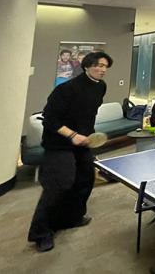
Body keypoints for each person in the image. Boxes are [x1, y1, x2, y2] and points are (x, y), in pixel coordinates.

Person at [28, 51, 113, 253]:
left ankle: (71, 218)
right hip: (59, 143)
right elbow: (49, 119)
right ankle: (41, 233)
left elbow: (88, 113)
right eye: (99, 65)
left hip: (84, 142)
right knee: (59, 185)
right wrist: (72, 135)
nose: (102, 69)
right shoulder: (66, 89)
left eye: (105, 66)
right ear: (86, 66)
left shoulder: (101, 87)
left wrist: (86, 136)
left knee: (85, 180)